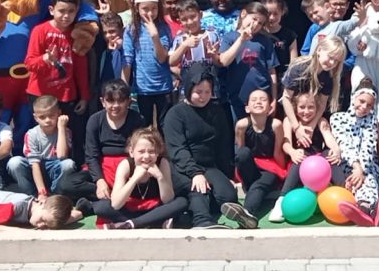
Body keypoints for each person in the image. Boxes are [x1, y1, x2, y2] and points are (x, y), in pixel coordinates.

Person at [76, 127, 189, 230]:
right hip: (129, 209)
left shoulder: (162, 163)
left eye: (151, 152)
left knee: (181, 202)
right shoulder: (125, 165)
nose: (146, 156)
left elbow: (168, 200)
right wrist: (134, 178)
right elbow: (116, 203)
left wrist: (160, 177)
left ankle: (131, 224)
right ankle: (153, 222)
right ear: (131, 152)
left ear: (158, 152)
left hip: (155, 208)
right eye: (141, 152)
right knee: (102, 207)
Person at [164, 66, 235, 229]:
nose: (203, 97)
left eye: (207, 92)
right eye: (198, 92)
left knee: (228, 196)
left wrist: (226, 174)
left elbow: (223, 146)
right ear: (189, 89)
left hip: (208, 166)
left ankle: (187, 211)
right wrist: (195, 173)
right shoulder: (175, 114)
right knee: (199, 189)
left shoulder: (217, 111)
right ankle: (202, 221)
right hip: (181, 168)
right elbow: (177, 149)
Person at [58, 80, 145, 201]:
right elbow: (91, 155)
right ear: (103, 102)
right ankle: (109, 194)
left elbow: (140, 150)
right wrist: (99, 180)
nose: (115, 105)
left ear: (128, 101)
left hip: (127, 166)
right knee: (66, 185)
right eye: (110, 101)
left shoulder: (137, 119)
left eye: (120, 101)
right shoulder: (95, 120)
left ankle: (110, 198)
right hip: (101, 166)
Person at [272, 92, 346, 222]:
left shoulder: (321, 121)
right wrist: (292, 152)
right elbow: (285, 143)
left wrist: (336, 150)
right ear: (295, 108)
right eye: (302, 107)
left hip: (318, 163)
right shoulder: (289, 121)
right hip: (300, 161)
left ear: (317, 108)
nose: (306, 111)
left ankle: (346, 193)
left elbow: (329, 138)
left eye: (311, 107)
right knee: (301, 154)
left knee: (329, 153)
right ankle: (281, 200)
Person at [329, 80, 379, 226]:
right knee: (354, 182)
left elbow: (368, 146)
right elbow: (344, 144)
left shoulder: (372, 120)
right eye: (362, 101)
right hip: (347, 163)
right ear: (354, 97)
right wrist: (356, 167)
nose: (364, 107)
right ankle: (371, 213)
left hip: (367, 165)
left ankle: (366, 210)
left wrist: (362, 170)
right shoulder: (337, 118)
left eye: (369, 105)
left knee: (369, 179)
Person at [221, 89, 286, 229]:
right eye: (254, 100)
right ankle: (247, 211)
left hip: (269, 167)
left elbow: (278, 153)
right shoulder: (242, 125)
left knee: (259, 185)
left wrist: (282, 176)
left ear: (270, 107)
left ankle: (247, 214)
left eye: (263, 99)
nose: (258, 102)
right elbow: (241, 152)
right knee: (243, 153)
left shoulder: (276, 125)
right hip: (250, 167)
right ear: (247, 108)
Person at [24, 0, 90, 117]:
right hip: (40, 95)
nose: (66, 16)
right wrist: (44, 59)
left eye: (71, 11)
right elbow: (29, 63)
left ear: (77, 10)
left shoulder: (76, 34)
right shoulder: (40, 31)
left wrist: (84, 96)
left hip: (66, 95)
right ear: (51, 10)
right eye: (61, 11)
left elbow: (80, 68)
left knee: (65, 129)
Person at [279, 36, 347, 147]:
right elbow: (286, 98)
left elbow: (322, 104)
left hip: (311, 116)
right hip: (292, 115)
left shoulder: (328, 77)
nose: (332, 63)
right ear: (319, 50)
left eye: (336, 61)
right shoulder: (299, 68)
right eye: (330, 57)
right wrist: (297, 127)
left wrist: (312, 125)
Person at [122, 0, 174, 130]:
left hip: (164, 87)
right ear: (137, 8)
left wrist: (155, 36)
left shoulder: (164, 28)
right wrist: (124, 88)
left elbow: (162, 58)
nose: (150, 13)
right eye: (145, 9)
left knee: (165, 127)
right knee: (144, 127)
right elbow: (127, 61)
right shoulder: (131, 30)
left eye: (154, 8)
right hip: (142, 89)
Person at [218, 1, 279, 122]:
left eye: (260, 23)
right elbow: (224, 61)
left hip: (262, 94)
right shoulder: (230, 37)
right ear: (243, 14)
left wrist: (274, 98)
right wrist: (241, 39)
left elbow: (272, 71)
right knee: (240, 128)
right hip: (238, 95)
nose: (255, 24)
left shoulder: (264, 41)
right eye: (254, 19)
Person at [7, 96, 76, 197]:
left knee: (68, 164)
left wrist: (61, 128)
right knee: (14, 162)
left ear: (59, 113)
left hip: (54, 167)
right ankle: (31, 194)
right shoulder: (31, 134)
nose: (47, 120)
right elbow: (34, 164)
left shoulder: (65, 131)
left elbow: (62, 156)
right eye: (42, 117)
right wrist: (42, 192)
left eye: (51, 116)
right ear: (35, 118)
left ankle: (56, 194)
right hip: (36, 168)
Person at [169, 0, 221, 98]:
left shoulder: (212, 35)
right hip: (188, 89)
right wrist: (184, 46)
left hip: (210, 89)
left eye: (193, 17)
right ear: (179, 21)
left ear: (200, 15)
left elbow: (220, 62)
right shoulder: (180, 39)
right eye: (184, 19)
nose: (190, 22)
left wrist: (213, 55)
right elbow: (171, 62)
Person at [260, 0, 298, 100]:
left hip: (283, 80)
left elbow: (293, 62)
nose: (271, 17)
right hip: (262, 80)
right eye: (268, 13)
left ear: (282, 12)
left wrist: (289, 83)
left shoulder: (289, 35)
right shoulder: (258, 35)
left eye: (275, 13)